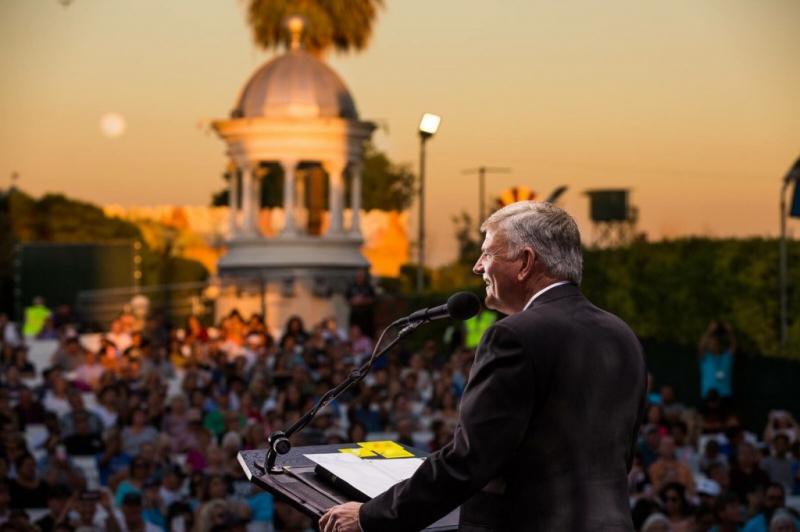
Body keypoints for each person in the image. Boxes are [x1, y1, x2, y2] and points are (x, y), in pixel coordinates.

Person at [320, 201, 647, 531]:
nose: (477, 267)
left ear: (525, 262)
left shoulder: (514, 336)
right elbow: (618, 458)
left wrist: (369, 516)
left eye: (488, 253)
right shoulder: (621, 335)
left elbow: (469, 461)